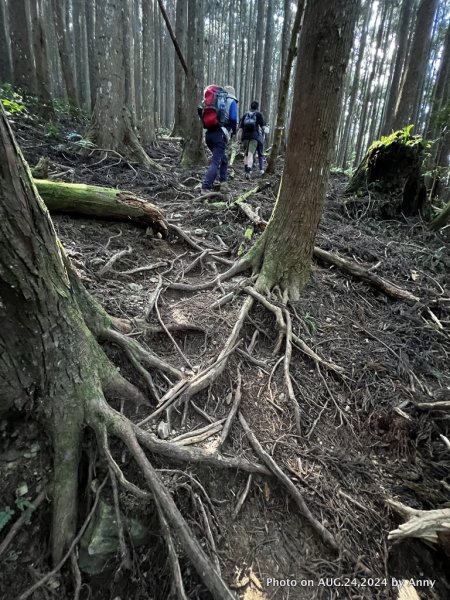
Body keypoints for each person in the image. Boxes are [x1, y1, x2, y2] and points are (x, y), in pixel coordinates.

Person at [201, 85, 238, 192]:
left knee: (224, 160)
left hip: (209, 135)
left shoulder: (214, 101)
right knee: (216, 162)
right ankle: (206, 186)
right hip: (220, 135)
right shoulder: (232, 101)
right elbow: (233, 117)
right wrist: (234, 132)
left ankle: (223, 183)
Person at [238, 100, 266, 179]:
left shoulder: (245, 115)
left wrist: (239, 140)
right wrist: (263, 135)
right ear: (257, 107)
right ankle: (249, 171)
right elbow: (263, 127)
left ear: (250, 106)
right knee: (251, 154)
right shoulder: (258, 114)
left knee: (246, 154)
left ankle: (245, 170)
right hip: (254, 136)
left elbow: (240, 130)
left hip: (245, 137)